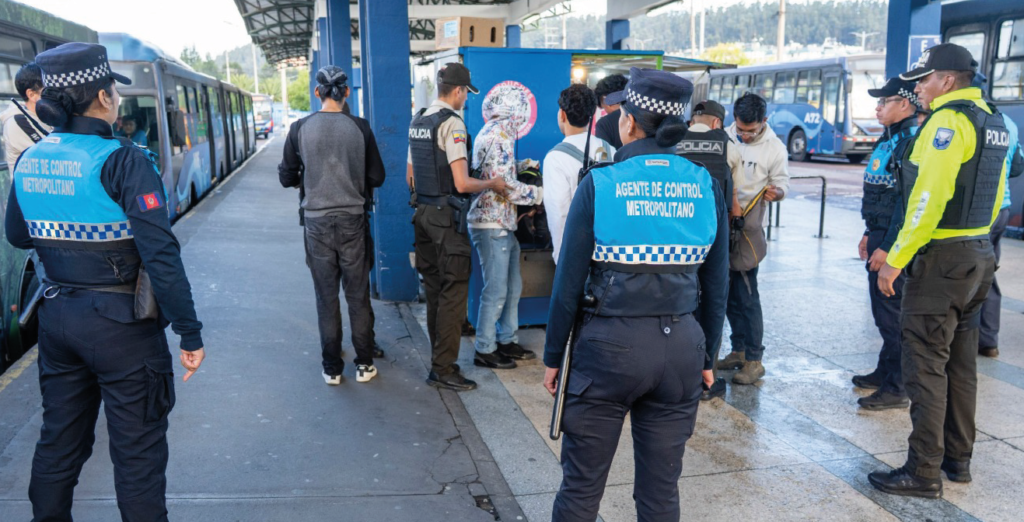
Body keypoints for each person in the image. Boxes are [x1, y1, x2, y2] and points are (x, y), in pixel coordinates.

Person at [4, 42, 205, 521]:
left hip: (58, 319)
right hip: (123, 328)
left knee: (59, 443)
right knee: (137, 456)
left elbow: (17, 235)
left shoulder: (31, 157)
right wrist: (189, 331)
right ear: (103, 96)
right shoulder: (124, 160)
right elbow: (160, 253)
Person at [542, 67, 729, 522]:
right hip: (682, 347)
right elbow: (717, 282)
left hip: (609, 350)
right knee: (661, 494)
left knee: (582, 490)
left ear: (627, 121)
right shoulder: (705, 184)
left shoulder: (601, 183)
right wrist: (708, 358)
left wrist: (553, 357)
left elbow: (568, 282)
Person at [868, 43, 1008, 498]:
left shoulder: (947, 122)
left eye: (924, 80)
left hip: (942, 261)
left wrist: (897, 258)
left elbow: (927, 200)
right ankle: (956, 460)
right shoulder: (994, 122)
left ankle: (922, 471)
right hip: (978, 255)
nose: (920, 90)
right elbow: (995, 192)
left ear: (946, 80)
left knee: (925, 366)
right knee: (960, 367)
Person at [279, 65, 385, 385]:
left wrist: (309, 176)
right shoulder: (360, 127)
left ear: (317, 92)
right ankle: (364, 364)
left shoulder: (299, 128)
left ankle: (331, 368)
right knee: (358, 295)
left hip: (316, 224)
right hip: (353, 220)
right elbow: (377, 176)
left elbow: (286, 176)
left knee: (326, 297)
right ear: (347, 92)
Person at [407, 63, 507, 392]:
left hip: (421, 215)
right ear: (459, 91)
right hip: (445, 219)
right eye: (466, 93)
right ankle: (444, 368)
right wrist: (492, 182)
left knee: (435, 291)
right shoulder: (453, 124)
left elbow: (410, 175)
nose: (466, 99)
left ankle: (439, 358)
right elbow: (462, 183)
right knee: (453, 295)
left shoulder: (419, 120)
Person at [852, 78, 921, 411]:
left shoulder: (910, 142)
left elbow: (905, 203)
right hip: (879, 233)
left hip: (892, 242)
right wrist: (869, 232)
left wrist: (889, 247)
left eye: (884, 102)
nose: (877, 108)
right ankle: (885, 370)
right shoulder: (890, 138)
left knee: (892, 316)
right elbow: (879, 194)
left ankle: (897, 386)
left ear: (905, 104)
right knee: (883, 313)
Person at [467, 90, 544, 369]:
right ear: (514, 112)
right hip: (492, 224)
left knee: (512, 287)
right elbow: (507, 187)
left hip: (501, 223)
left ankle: (507, 339)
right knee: (498, 289)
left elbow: (499, 173)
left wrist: (522, 166)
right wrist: (538, 194)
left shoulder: (493, 131)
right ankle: (485, 348)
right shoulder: (500, 136)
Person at [717, 93, 789, 385]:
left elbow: (782, 182)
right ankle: (738, 350)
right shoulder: (723, 137)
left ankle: (755, 359)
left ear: (764, 122)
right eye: (741, 129)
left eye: (751, 130)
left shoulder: (775, 148)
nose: (745, 136)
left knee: (747, 295)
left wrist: (778, 192)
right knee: (729, 295)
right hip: (723, 224)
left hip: (747, 230)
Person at [676, 99, 742, 400]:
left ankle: (679, 365)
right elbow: (734, 195)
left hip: (678, 233)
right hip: (713, 234)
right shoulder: (728, 146)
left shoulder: (675, 141)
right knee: (714, 301)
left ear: (694, 120)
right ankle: (707, 375)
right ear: (717, 123)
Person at [543, 84, 614, 264]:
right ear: (592, 116)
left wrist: (561, 257)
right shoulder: (611, 150)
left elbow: (559, 213)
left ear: (562, 114)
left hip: (577, 253)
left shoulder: (556, 158)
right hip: (610, 250)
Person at [978, 110, 1022, 358]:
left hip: (980, 211)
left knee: (965, 275)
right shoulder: (1008, 122)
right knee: (988, 274)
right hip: (1002, 208)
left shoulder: (968, 117)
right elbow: (1017, 165)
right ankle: (988, 340)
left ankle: (963, 339)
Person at [1, 62, 52, 169]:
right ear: (32, 95)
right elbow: (53, 153)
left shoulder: (43, 115)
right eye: (49, 91)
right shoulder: (18, 121)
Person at [593, 74, 628, 149]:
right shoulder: (640, 116)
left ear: (605, 99)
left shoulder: (604, 124)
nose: (605, 110)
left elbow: (603, 156)